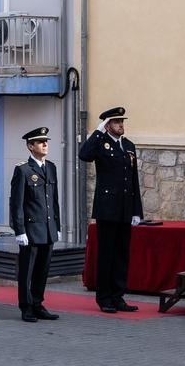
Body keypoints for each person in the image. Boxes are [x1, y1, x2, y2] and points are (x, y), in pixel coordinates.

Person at [77, 107, 143, 314]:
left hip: (125, 208)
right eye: (116, 122)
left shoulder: (129, 146)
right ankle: (104, 298)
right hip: (107, 209)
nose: (121, 125)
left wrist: (136, 211)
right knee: (106, 255)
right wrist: (97, 133)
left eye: (122, 122)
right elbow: (84, 155)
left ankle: (118, 296)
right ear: (107, 125)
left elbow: (134, 181)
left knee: (121, 255)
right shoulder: (101, 144)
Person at [9, 127, 62, 323]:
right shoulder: (23, 169)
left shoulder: (51, 167)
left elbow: (54, 200)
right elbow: (17, 203)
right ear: (30, 146)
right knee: (27, 270)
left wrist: (57, 224)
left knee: (43, 269)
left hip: (47, 228)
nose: (45, 144)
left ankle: (38, 303)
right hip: (31, 229)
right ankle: (26, 306)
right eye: (40, 142)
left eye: (46, 141)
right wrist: (19, 230)